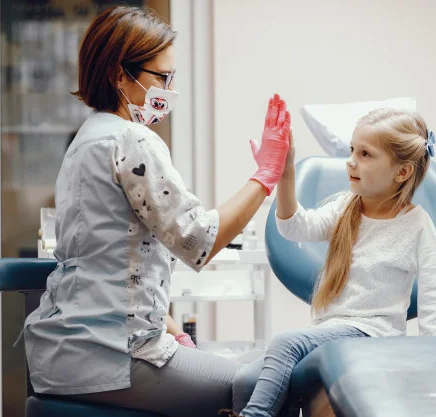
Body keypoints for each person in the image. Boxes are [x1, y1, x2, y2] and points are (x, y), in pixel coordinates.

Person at [18, 6, 291, 417]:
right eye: (160, 77)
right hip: (111, 358)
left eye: (171, 77)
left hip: (63, 351)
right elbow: (199, 241)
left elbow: (114, 265)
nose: (168, 88)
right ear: (119, 74)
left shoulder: (86, 140)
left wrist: (174, 332)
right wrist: (265, 176)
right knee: (265, 386)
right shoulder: (132, 141)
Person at [222, 108, 436, 417]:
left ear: (403, 172)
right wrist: (285, 171)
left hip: (373, 337)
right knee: (245, 380)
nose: (351, 161)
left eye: (366, 154)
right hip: (332, 332)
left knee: (285, 344)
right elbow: (293, 226)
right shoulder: (346, 207)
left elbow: (435, 304)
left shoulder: (416, 225)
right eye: (352, 150)